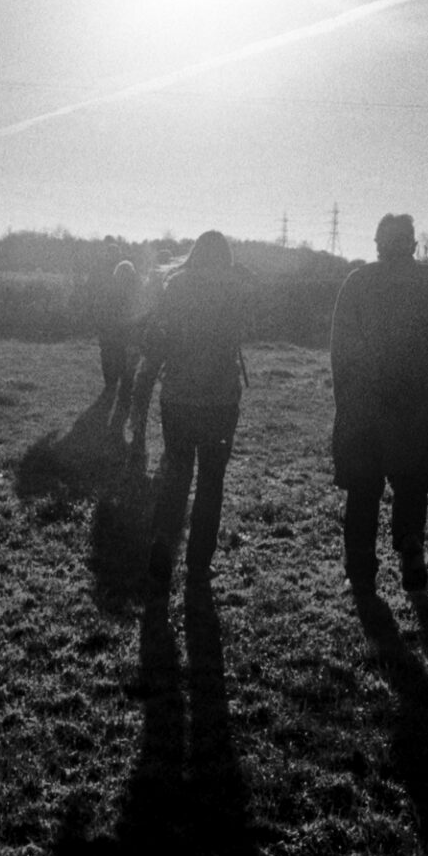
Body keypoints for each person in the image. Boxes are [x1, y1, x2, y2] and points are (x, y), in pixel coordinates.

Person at [330, 213, 428, 597]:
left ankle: (360, 570)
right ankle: (411, 550)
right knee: (412, 485)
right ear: (413, 244)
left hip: (366, 407)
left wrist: (346, 403)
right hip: (419, 405)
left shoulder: (357, 282)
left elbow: (341, 352)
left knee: (363, 489)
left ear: (378, 244)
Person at [131, 230, 249, 592]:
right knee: (211, 483)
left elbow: (155, 341)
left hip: (178, 398)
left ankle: (162, 546)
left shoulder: (175, 287)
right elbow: (243, 334)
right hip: (220, 402)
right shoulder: (234, 291)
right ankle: (199, 565)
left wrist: (145, 386)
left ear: (195, 254)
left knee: (177, 474)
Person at [97, 258, 142, 434]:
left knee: (110, 360)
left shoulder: (108, 289)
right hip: (122, 336)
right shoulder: (134, 290)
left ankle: (111, 387)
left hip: (110, 335)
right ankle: (122, 395)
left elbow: (101, 312)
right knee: (126, 367)